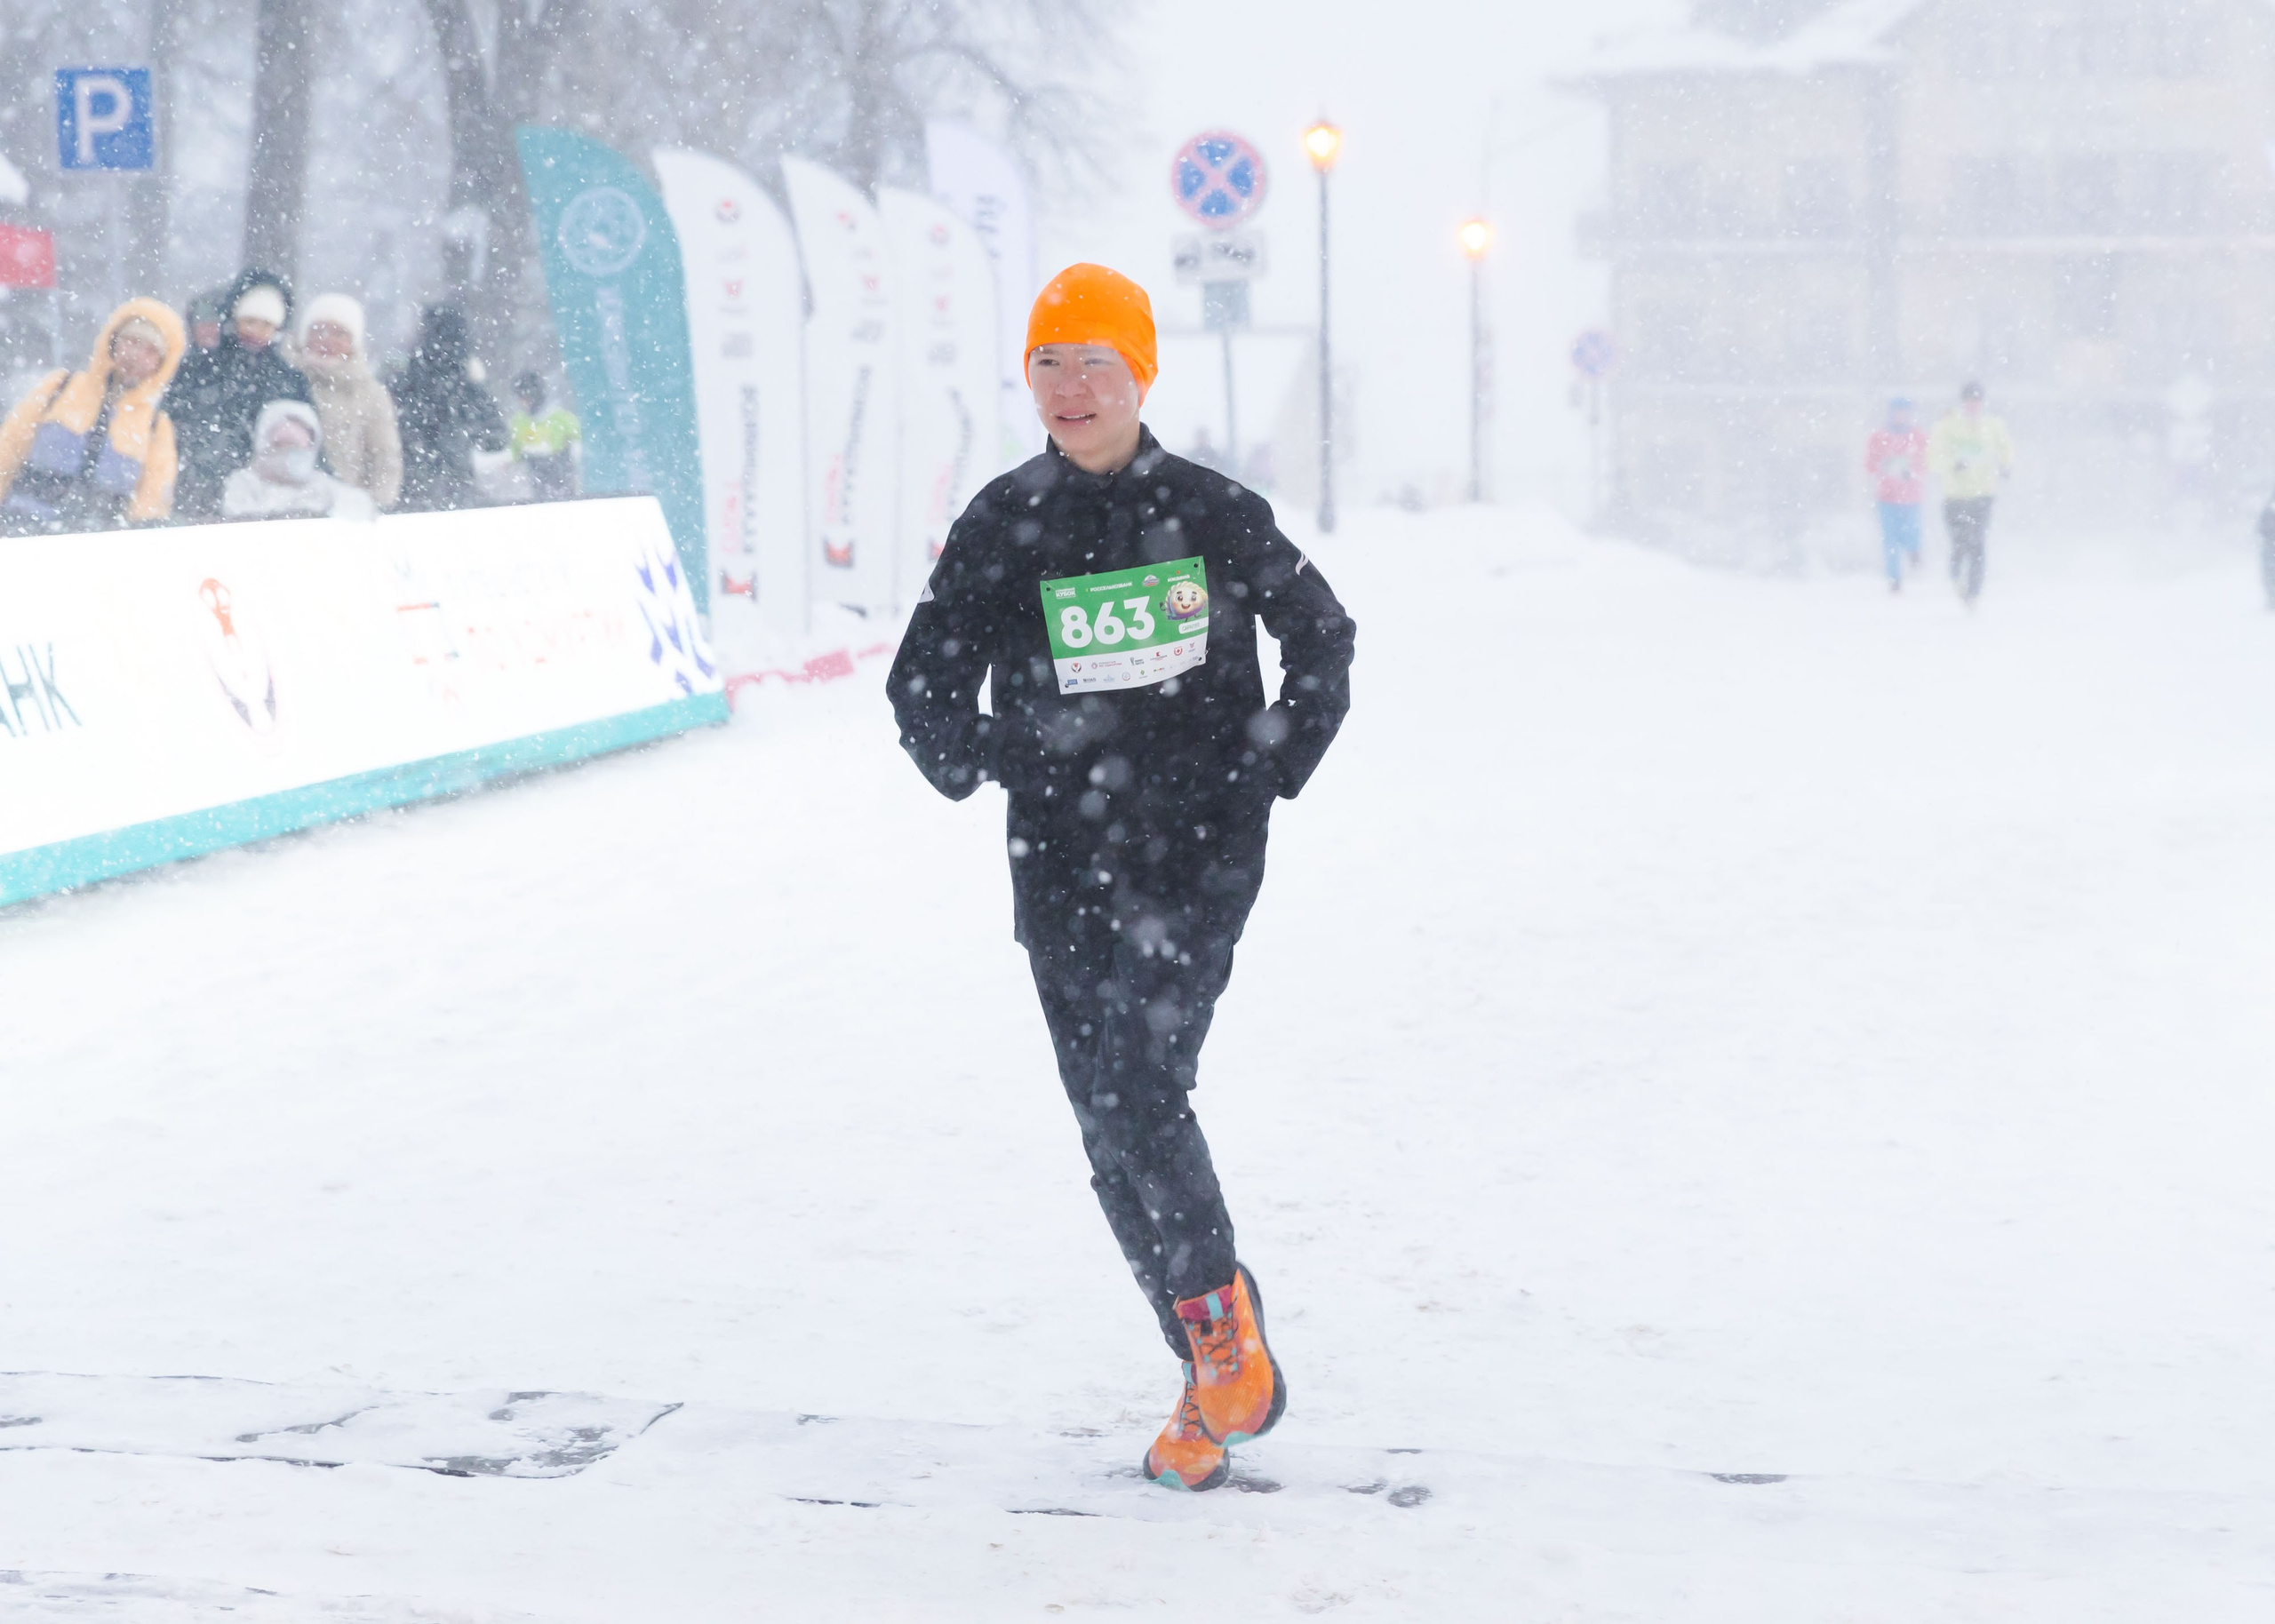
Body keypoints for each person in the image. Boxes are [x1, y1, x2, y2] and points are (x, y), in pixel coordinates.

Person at [887, 265, 1357, 1493]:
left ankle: (1216, 1329)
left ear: (1141, 374)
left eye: (1096, 362)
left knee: (1143, 1088)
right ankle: (1210, 1371)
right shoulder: (1004, 523)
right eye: (1049, 363)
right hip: (1062, 862)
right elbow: (922, 686)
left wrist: (1267, 762)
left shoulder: (1210, 511)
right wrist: (1003, 757)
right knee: (1108, 1135)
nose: (1072, 387)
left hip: (1196, 856)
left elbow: (1322, 636)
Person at [0, 298, 185, 535]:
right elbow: (8, 448)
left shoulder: (156, 427)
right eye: (132, 341)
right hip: (24, 530)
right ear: (113, 342)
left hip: (99, 548)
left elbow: (151, 505)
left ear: (161, 364)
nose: (136, 355)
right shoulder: (59, 387)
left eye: (150, 351)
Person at [164, 269, 315, 520]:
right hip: (196, 495)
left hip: (265, 502)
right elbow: (169, 425)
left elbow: (308, 440)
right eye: (250, 321)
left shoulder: (289, 379)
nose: (256, 331)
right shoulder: (199, 368)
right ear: (235, 318)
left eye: (266, 324)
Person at [390, 307, 507, 512]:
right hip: (456, 493)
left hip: (412, 492)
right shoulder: (467, 387)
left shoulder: (406, 380)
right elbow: (496, 439)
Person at [296, 293, 403, 510]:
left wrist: (377, 504)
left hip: (345, 509)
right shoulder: (287, 380)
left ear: (354, 342)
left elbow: (385, 456)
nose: (327, 340)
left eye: (340, 333)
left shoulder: (370, 394)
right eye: (319, 330)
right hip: (290, 507)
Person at [1927, 380, 2014, 607]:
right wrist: (1953, 464)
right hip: (1955, 496)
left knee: (1977, 543)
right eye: (1969, 400)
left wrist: (2006, 466)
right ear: (1962, 402)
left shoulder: (1993, 426)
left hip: (1982, 495)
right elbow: (1934, 457)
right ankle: (1956, 578)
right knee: (1959, 543)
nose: (1973, 405)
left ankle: (1974, 592)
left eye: (1977, 400)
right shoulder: (1947, 426)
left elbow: (2005, 448)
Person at [221, 400, 377, 521]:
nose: (290, 455)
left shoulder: (320, 486)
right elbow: (239, 522)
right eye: (281, 446)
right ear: (263, 445)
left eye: (299, 448)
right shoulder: (245, 483)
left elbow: (361, 510)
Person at [1864, 397, 1927, 593]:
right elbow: (1869, 464)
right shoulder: (1878, 437)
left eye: (1904, 412)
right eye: (1897, 412)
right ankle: (1894, 580)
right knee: (1889, 539)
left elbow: (1926, 462)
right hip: (1887, 497)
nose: (1901, 416)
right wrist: (1882, 466)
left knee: (1911, 531)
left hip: (1911, 497)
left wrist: (1912, 471)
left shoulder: (1917, 437)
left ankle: (1913, 552)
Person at [508, 370, 581, 501]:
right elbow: (515, 448)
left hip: (560, 466)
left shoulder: (560, 418)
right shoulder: (518, 421)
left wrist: (573, 459)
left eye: (527, 397)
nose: (523, 402)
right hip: (534, 469)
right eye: (520, 397)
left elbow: (576, 440)